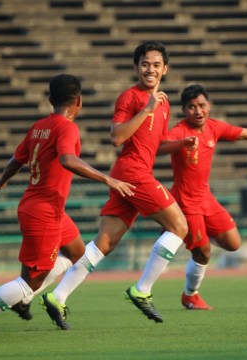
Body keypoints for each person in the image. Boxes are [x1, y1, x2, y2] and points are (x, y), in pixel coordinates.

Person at [0, 74, 135, 341]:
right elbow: (68, 160)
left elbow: (17, 160)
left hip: (47, 209)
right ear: (80, 102)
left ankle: (26, 298)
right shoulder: (67, 127)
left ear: (50, 100)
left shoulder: (38, 127)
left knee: (77, 252)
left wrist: (1, 181)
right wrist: (108, 178)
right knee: (29, 282)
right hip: (43, 212)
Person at [41, 41, 189, 329]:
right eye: (145, 63)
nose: (151, 69)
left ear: (165, 70)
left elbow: (154, 145)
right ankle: (142, 290)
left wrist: (181, 143)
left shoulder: (164, 103)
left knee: (103, 245)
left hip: (131, 174)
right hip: (133, 172)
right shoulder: (130, 98)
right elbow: (117, 137)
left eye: (157, 65)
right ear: (136, 67)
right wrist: (146, 109)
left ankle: (57, 296)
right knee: (180, 227)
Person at [157, 84, 247, 310]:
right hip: (186, 203)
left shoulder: (214, 127)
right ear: (184, 110)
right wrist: (182, 143)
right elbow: (161, 146)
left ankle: (194, 236)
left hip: (207, 199)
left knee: (234, 243)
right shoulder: (180, 130)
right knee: (203, 251)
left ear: (209, 106)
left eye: (202, 106)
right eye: (192, 107)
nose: (198, 111)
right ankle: (190, 295)